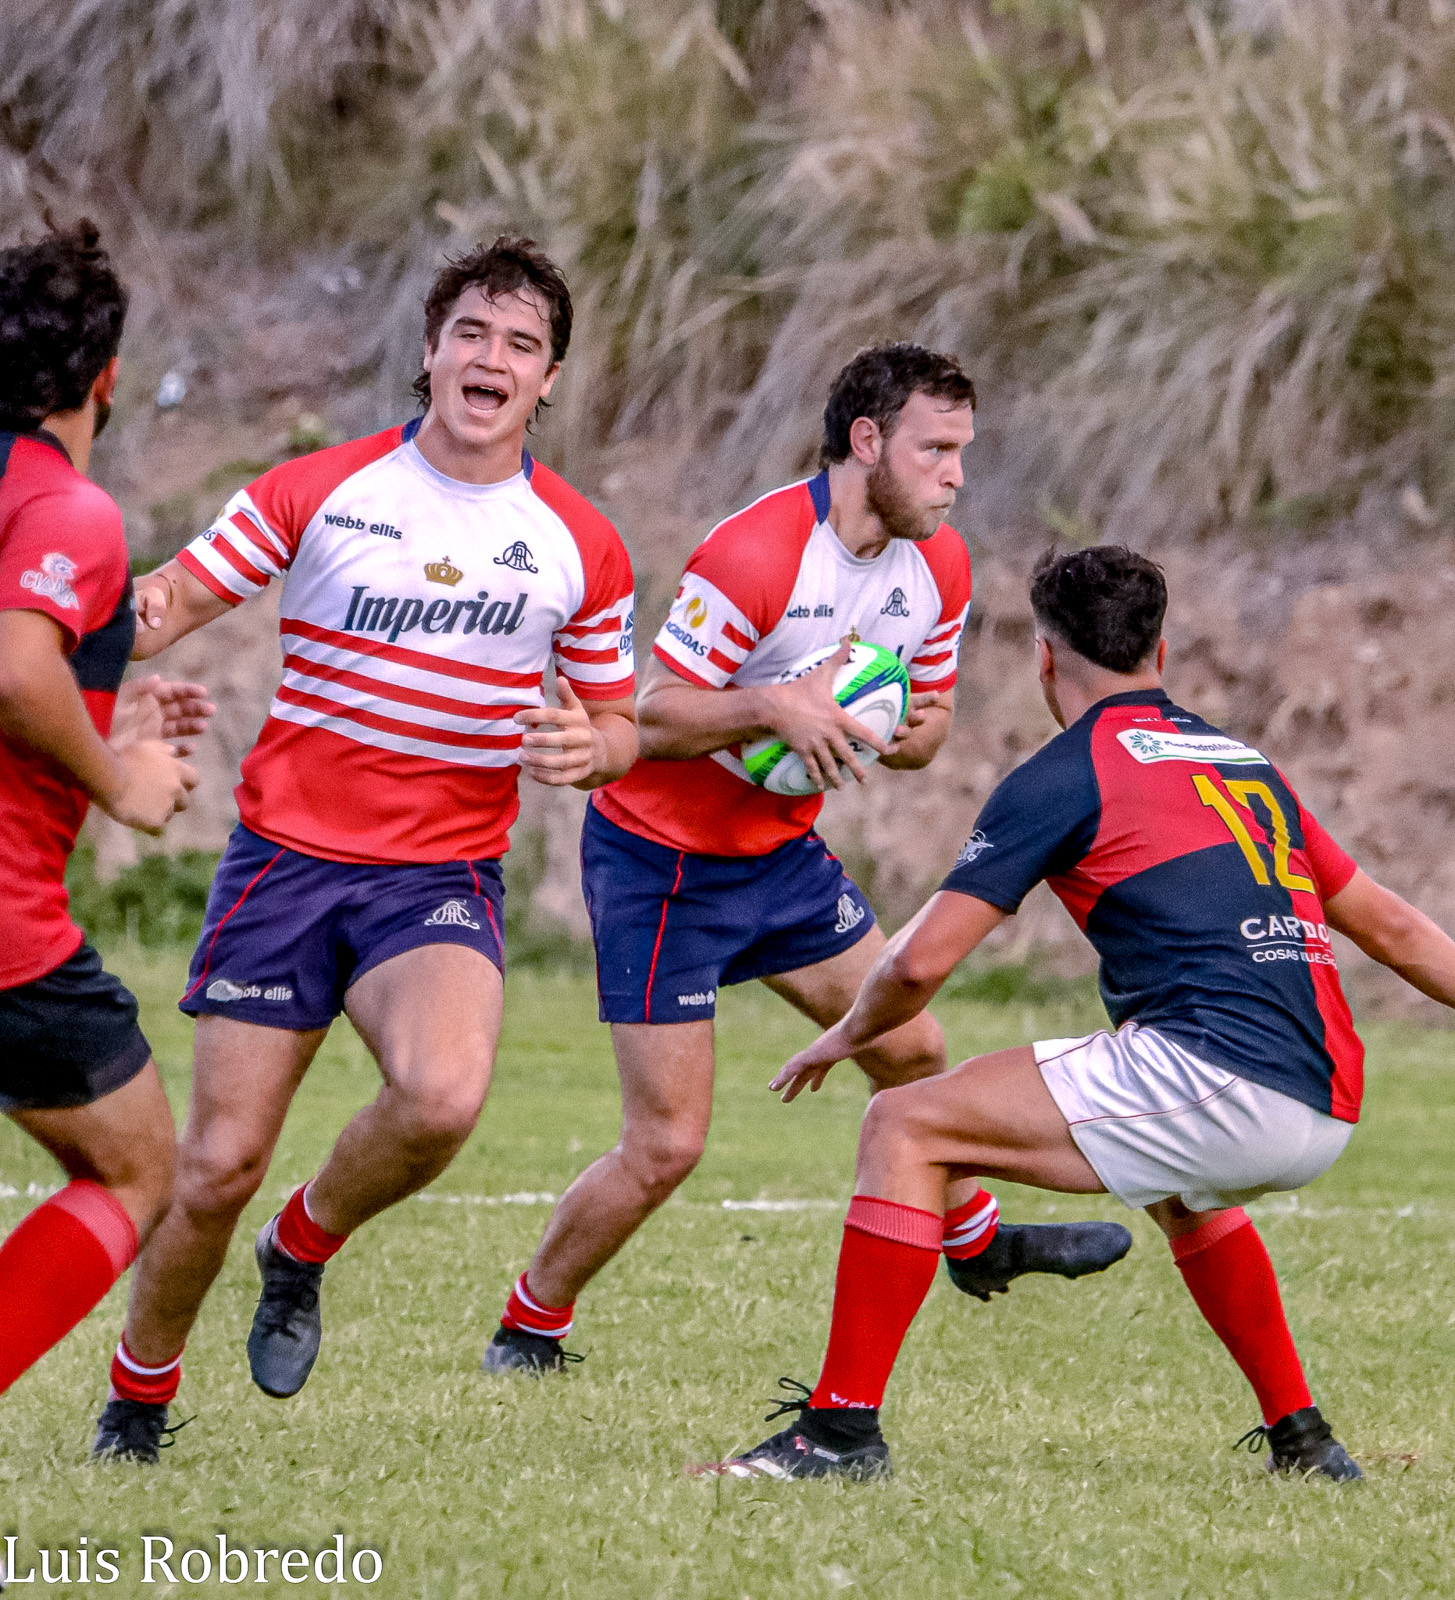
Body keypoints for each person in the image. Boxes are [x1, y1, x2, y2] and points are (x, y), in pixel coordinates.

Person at [708, 544, 1455, 1482]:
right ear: (1163, 652)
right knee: (1182, 1191)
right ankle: (1304, 1442)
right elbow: (1393, 928)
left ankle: (837, 1436)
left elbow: (920, 963)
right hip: (1327, 1099)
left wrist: (848, 1033)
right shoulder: (1244, 763)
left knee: (903, 1123)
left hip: (1220, 1082)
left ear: (1044, 658)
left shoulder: (1065, 774)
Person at [92, 236, 638, 1462]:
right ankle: (138, 1393)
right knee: (216, 1164)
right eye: (473, 334)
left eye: (521, 344)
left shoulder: (579, 543)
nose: (491, 359)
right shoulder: (321, 488)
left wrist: (590, 750)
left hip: (435, 876)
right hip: (284, 865)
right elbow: (170, 600)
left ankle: (305, 1242)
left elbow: (616, 721)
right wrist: (61, 619)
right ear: (431, 351)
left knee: (442, 1097)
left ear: (548, 380)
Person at [483, 345, 1131, 1375]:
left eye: (963, 452)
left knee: (913, 1050)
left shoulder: (940, 566)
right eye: (937, 450)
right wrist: (777, 706)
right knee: (667, 1145)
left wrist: (879, 726)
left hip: (780, 857)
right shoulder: (757, 555)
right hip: (660, 864)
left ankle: (972, 1243)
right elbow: (651, 713)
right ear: (867, 441)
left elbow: (929, 729)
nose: (957, 476)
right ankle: (531, 1322)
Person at [0, 222, 210, 1400]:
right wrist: (119, 778)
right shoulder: (71, 514)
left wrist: (106, 718)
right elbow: (18, 671)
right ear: (106, 375)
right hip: (9, 935)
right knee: (135, 1169)